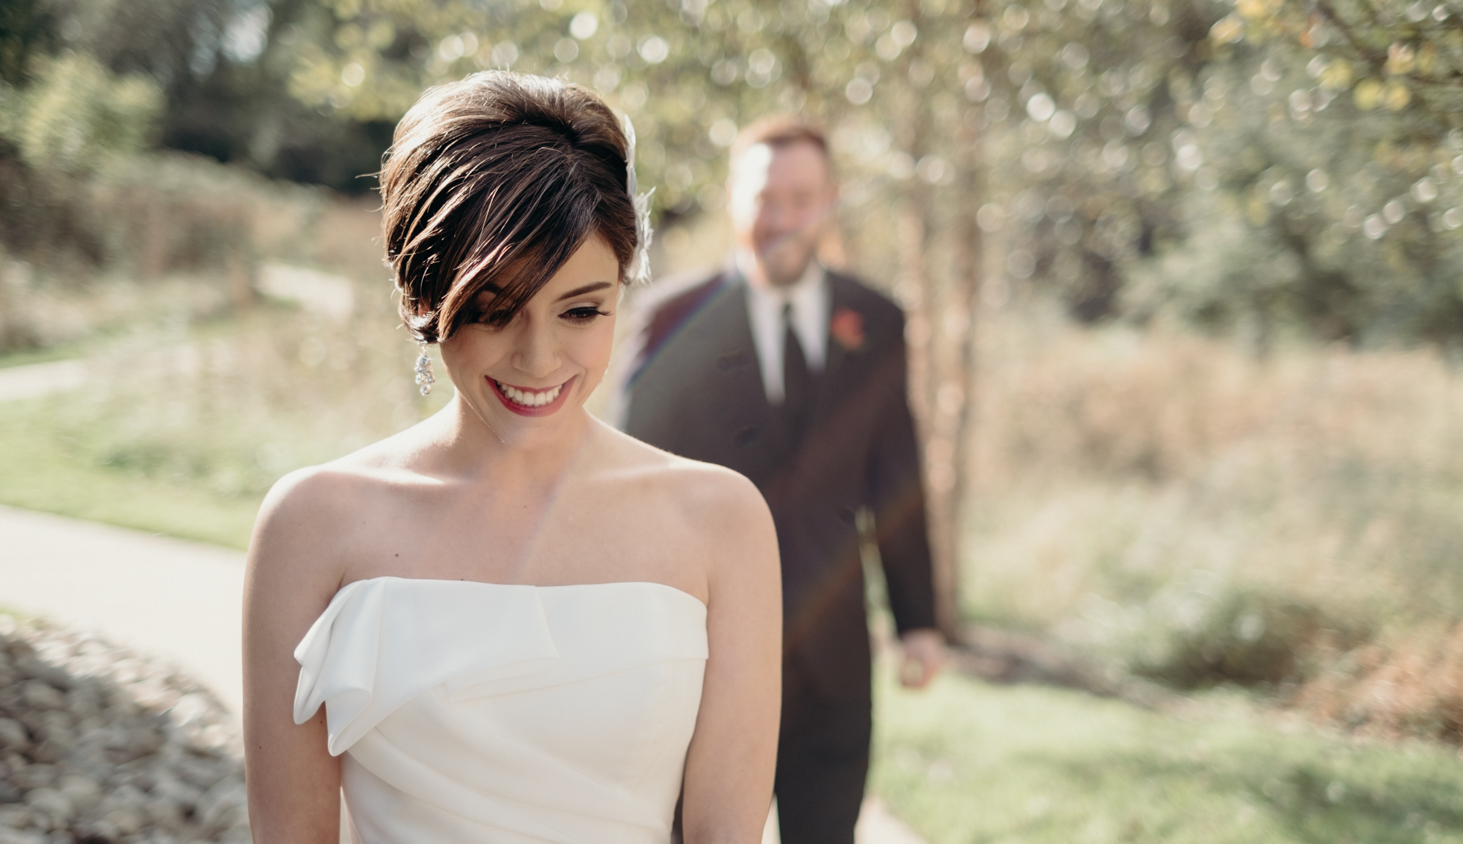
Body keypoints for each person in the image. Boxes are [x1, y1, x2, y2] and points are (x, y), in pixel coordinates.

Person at [241, 71, 781, 844]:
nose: (538, 357)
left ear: (623, 291)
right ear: (421, 298)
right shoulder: (311, 526)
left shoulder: (720, 522)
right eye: (494, 310)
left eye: (582, 310)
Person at [620, 117, 944, 844]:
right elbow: (628, 484)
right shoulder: (671, 317)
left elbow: (897, 476)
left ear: (830, 201)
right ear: (735, 200)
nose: (783, 218)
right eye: (766, 198)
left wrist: (918, 619)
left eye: (802, 198)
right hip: (704, 663)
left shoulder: (878, 322)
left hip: (834, 662)